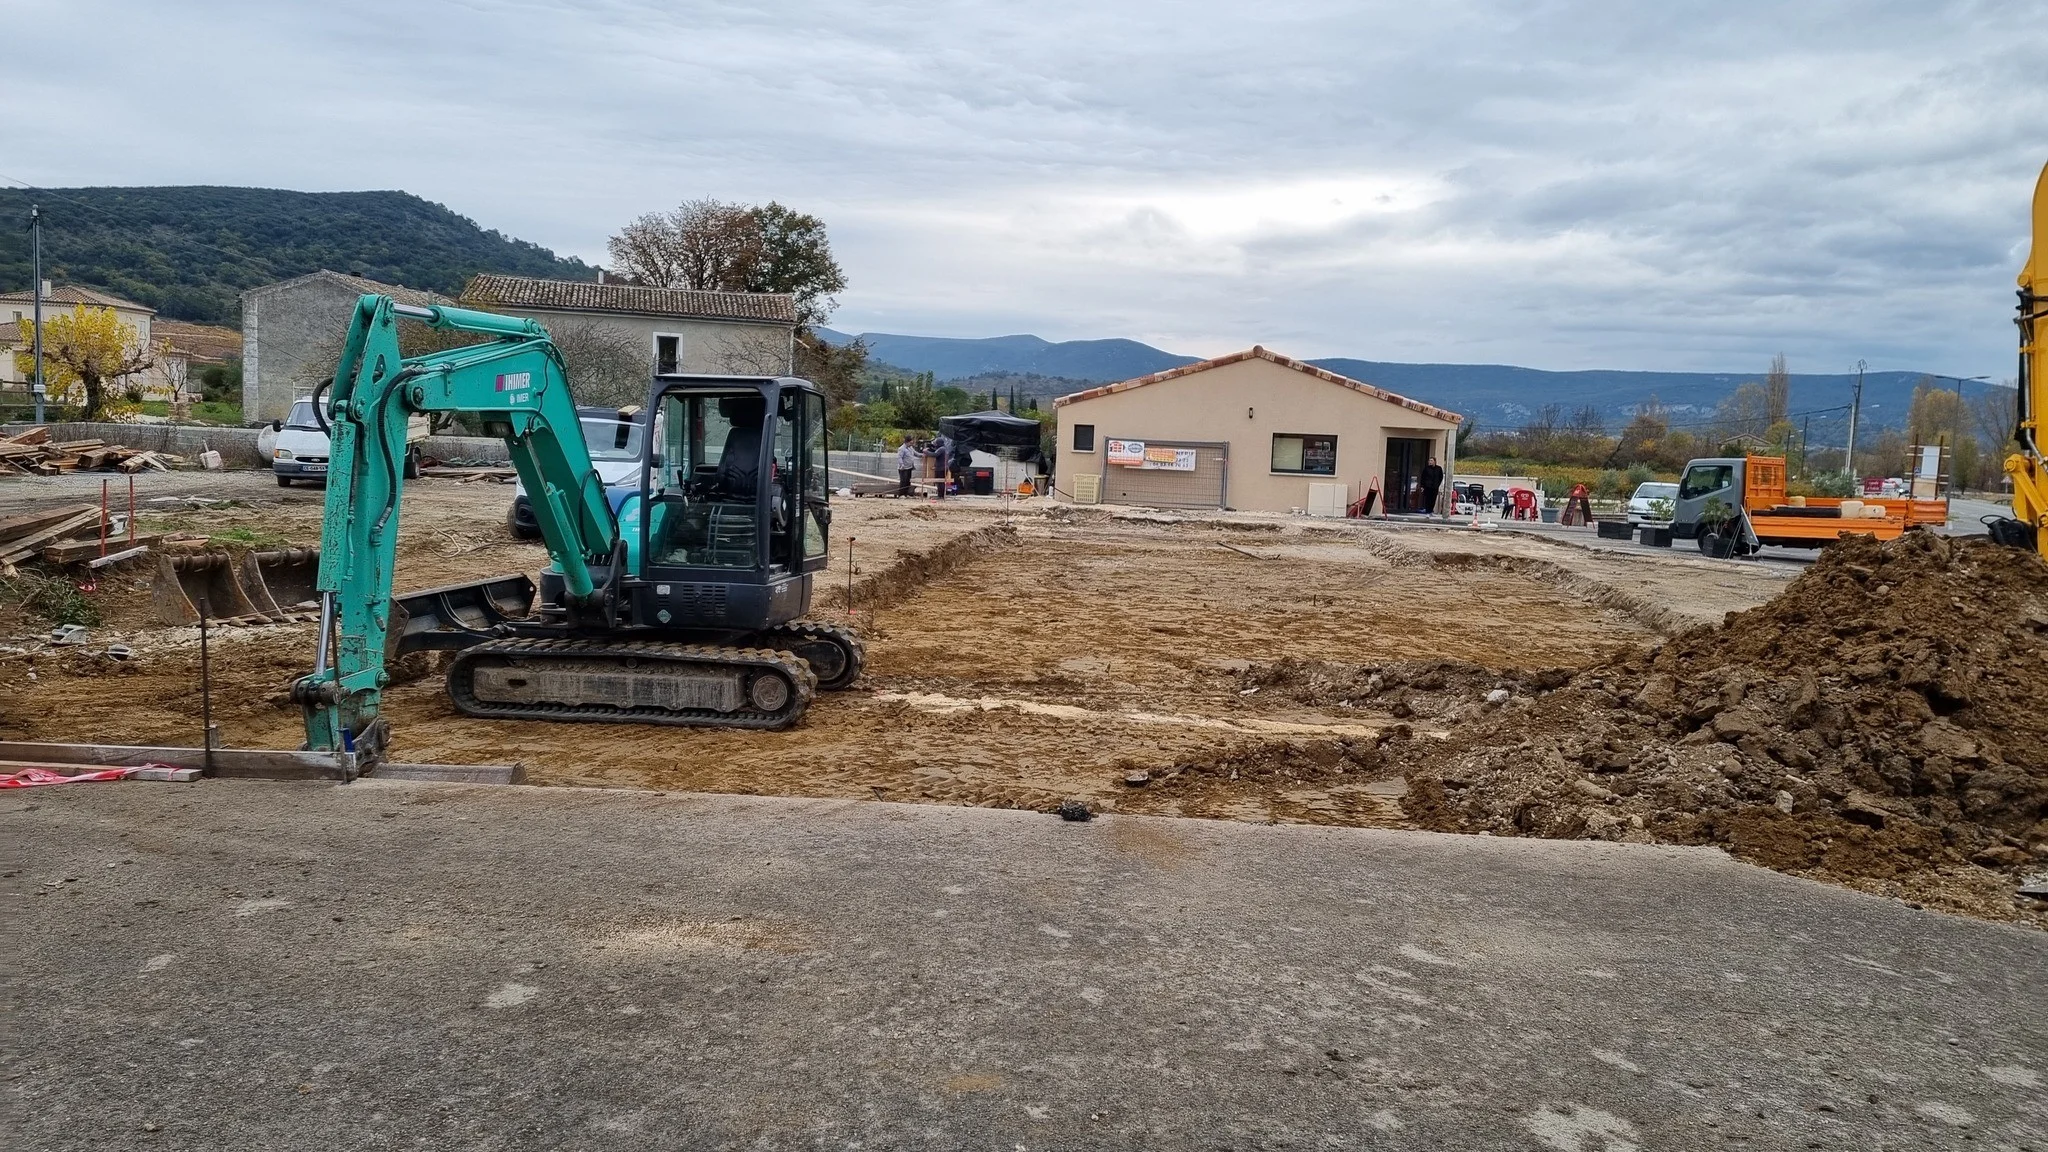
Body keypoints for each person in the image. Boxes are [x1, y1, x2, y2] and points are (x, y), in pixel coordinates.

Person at [925, 433, 953, 499]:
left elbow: (935, 454)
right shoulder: (944, 448)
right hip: (943, 467)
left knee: (940, 482)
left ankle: (940, 495)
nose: (935, 444)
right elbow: (936, 451)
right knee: (941, 481)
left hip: (941, 468)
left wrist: (926, 452)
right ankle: (941, 495)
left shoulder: (941, 449)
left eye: (936, 443)